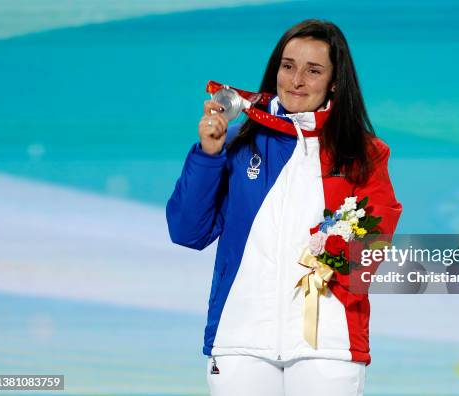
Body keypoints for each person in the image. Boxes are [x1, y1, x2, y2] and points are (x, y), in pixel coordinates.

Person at [166, 19, 402, 396]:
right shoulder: (240, 145)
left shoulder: (364, 154)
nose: (296, 80)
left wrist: (332, 255)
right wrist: (209, 155)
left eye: (313, 71)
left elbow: (373, 242)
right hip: (240, 339)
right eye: (288, 66)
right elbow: (187, 232)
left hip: (329, 343)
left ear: (334, 82)